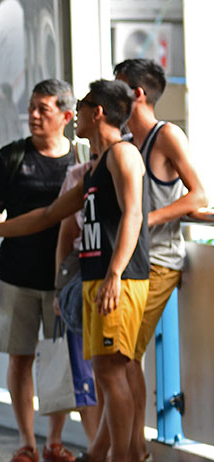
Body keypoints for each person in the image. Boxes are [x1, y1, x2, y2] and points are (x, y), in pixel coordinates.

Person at [0, 79, 149, 462]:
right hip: (95, 278)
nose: (75, 114)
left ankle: (125, 456)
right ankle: (107, 454)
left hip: (119, 280)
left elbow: (134, 215)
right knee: (106, 372)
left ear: (97, 112)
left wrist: (115, 274)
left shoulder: (123, 154)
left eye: (81, 106)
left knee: (113, 373)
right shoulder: (95, 168)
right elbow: (48, 215)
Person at [0, 79, 77, 462]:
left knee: (59, 361)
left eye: (43, 109)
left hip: (62, 280)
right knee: (19, 358)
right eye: (31, 107)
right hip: (14, 276)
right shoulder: (10, 157)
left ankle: (55, 441)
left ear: (66, 116)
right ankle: (26, 442)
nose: (33, 115)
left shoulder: (80, 160)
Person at [113, 58, 208, 462]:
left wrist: (144, 221)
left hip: (159, 260)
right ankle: (132, 448)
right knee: (121, 357)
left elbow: (198, 195)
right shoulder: (124, 142)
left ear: (137, 93)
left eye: (118, 87)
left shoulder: (165, 135)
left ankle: (135, 450)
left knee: (123, 356)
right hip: (129, 259)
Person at [53, 158, 102, 447]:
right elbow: (63, 228)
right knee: (85, 373)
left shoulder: (129, 161)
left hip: (117, 279)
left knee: (114, 372)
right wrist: (60, 290)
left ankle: (118, 449)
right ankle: (96, 446)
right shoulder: (78, 175)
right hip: (79, 279)